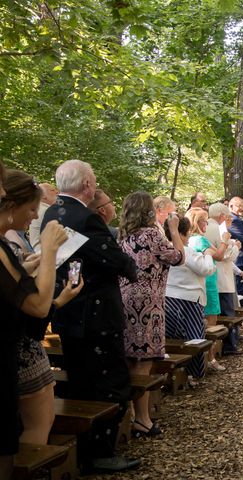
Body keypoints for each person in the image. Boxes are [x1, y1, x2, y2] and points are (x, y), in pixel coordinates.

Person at [41, 159, 140, 473]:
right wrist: (129, 266)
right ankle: (100, 451)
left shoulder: (51, 213)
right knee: (110, 381)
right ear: (87, 185)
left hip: (69, 310)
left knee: (80, 378)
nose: (95, 185)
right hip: (95, 313)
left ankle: (86, 446)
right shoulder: (85, 218)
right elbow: (112, 259)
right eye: (94, 180)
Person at [1, 170, 84, 447]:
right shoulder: (5, 246)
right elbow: (36, 305)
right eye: (32, 209)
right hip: (19, 350)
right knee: (36, 424)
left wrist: (26, 268)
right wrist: (49, 252)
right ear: (11, 205)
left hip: (19, 347)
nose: (35, 216)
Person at [118, 191, 184, 438]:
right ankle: (142, 420)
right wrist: (174, 230)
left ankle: (133, 416)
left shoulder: (122, 236)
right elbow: (178, 257)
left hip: (125, 300)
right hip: (148, 304)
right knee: (143, 362)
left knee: (129, 359)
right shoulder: (151, 235)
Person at [165, 216, 217, 379]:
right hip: (188, 300)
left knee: (171, 335)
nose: (188, 238)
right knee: (193, 337)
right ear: (181, 234)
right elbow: (206, 269)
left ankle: (173, 372)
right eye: (187, 234)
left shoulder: (164, 247)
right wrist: (208, 254)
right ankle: (193, 373)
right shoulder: (185, 251)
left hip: (168, 298)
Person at [186, 207, 226, 370]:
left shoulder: (191, 239)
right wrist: (225, 240)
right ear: (196, 222)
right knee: (211, 321)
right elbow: (219, 256)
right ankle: (210, 358)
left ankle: (205, 359)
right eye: (204, 221)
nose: (207, 224)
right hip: (207, 282)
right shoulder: (199, 240)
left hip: (201, 281)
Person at [206, 203, 243, 354]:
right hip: (221, 276)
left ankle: (222, 347)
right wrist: (236, 247)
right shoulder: (217, 229)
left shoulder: (207, 227)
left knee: (215, 314)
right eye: (227, 215)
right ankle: (229, 345)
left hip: (211, 276)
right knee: (227, 312)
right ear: (222, 215)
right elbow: (227, 255)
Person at [28, 182, 58, 252]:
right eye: (52, 190)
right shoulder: (46, 210)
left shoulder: (39, 208)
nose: (57, 192)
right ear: (43, 195)